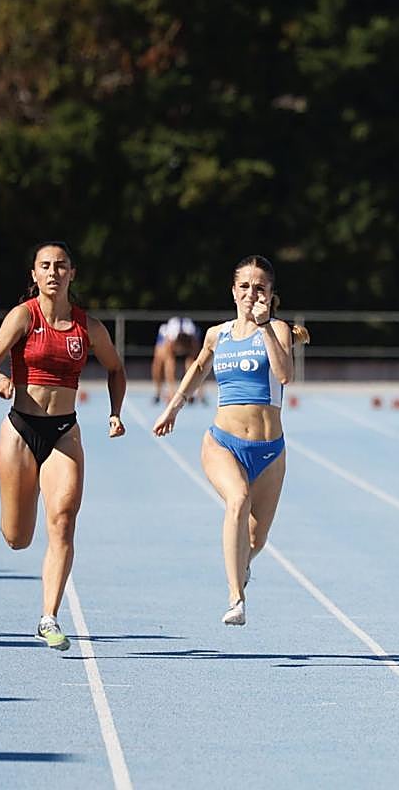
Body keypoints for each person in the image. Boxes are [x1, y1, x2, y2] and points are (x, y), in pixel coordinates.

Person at [0, 242, 127, 651]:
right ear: (34, 274)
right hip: (20, 429)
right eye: (45, 266)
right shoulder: (23, 316)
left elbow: (115, 368)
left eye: (61, 266)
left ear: (72, 273)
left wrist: (115, 412)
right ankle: (19, 511)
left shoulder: (87, 327)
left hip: (64, 431)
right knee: (17, 538)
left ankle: (49, 617)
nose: (53, 272)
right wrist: (0, 380)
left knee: (62, 520)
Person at [153, 255, 309, 626]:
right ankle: (236, 596)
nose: (251, 293)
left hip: (269, 450)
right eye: (245, 286)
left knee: (256, 540)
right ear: (233, 291)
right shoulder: (217, 335)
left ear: (270, 294)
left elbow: (284, 375)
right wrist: (173, 407)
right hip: (223, 443)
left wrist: (264, 326)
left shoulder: (278, 330)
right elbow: (198, 367)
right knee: (237, 499)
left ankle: (242, 565)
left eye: (260, 288)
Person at [152, 316, 202, 404]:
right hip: (168, 338)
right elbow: (169, 364)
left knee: (192, 362)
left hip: (187, 340)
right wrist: (171, 392)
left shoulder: (192, 337)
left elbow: (197, 364)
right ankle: (158, 391)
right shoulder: (170, 336)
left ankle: (193, 392)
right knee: (158, 362)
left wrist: (192, 391)